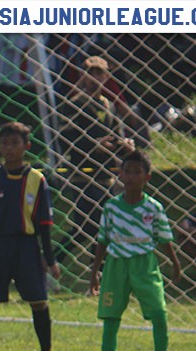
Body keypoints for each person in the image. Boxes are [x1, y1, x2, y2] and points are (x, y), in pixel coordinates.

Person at [0, 122, 64, 351]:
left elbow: (44, 224)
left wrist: (50, 259)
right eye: (5, 143)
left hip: (27, 248)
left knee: (39, 302)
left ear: (26, 146)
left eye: (14, 143)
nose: (9, 148)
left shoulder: (37, 179)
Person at [89, 150, 181, 351]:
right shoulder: (111, 207)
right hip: (116, 266)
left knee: (159, 315)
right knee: (110, 319)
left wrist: (175, 262)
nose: (130, 176)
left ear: (147, 177)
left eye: (136, 172)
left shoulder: (153, 208)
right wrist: (94, 272)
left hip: (144, 264)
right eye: (126, 171)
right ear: (120, 175)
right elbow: (102, 240)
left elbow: (164, 238)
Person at [59, 56, 133, 251]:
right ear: (82, 76)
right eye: (90, 72)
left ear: (106, 75)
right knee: (86, 226)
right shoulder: (74, 104)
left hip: (105, 174)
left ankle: (97, 270)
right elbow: (64, 139)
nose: (95, 77)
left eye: (99, 73)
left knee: (100, 226)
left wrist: (124, 145)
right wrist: (92, 146)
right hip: (82, 173)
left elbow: (116, 134)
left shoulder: (109, 105)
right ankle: (51, 261)